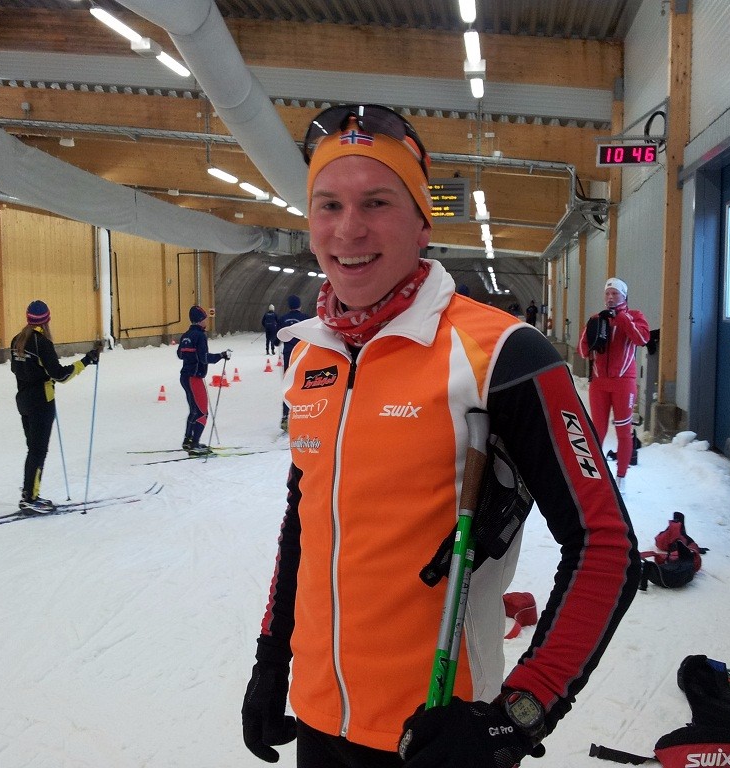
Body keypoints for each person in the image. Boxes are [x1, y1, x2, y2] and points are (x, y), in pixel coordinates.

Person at [242, 103, 640, 768]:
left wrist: (517, 716)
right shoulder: (312, 355)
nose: (349, 228)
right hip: (318, 720)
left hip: (438, 737)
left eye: (377, 202)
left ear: (423, 219)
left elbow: (606, 544)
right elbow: (302, 523)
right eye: (328, 205)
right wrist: (270, 660)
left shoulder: (503, 354)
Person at [9, 300, 100, 513]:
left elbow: (16, 369)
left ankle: (29, 492)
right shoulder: (42, 343)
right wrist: (86, 361)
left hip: (23, 400)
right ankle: (30, 498)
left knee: (33, 449)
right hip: (41, 402)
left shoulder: (17, 340)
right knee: (38, 450)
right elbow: (60, 375)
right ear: (46, 320)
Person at [577, 278, 650, 491]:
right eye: (607, 293)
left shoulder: (634, 316)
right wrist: (592, 335)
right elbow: (582, 350)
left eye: (615, 293)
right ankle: (595, 477)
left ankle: (621, 477)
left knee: (623, 431)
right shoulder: (596, 319)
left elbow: (642, 339)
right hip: (599, 383)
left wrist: (622, 318)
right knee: (596, 431)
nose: (610, 297)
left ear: (624, 296)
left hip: (624, 382)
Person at [177, 305, 230, 455]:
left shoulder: (186, 335)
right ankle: (195, 445)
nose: (206, 321)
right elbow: (204, 358)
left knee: (194, 410)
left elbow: (180, 355)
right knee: (202, 412)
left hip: (185, 376)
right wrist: (221, 355)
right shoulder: (200, 336)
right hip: (194, 378)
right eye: (204, 318)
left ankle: (188, 440)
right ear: (200, 320)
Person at [275, 294, 310, 430]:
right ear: (299, 305)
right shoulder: (305, 318)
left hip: (288, 355)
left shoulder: (283, 319)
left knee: (289, 385)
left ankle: (285, 417)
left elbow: (276, 340)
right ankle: (305, 414)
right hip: (303, 355)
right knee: (304, 384)